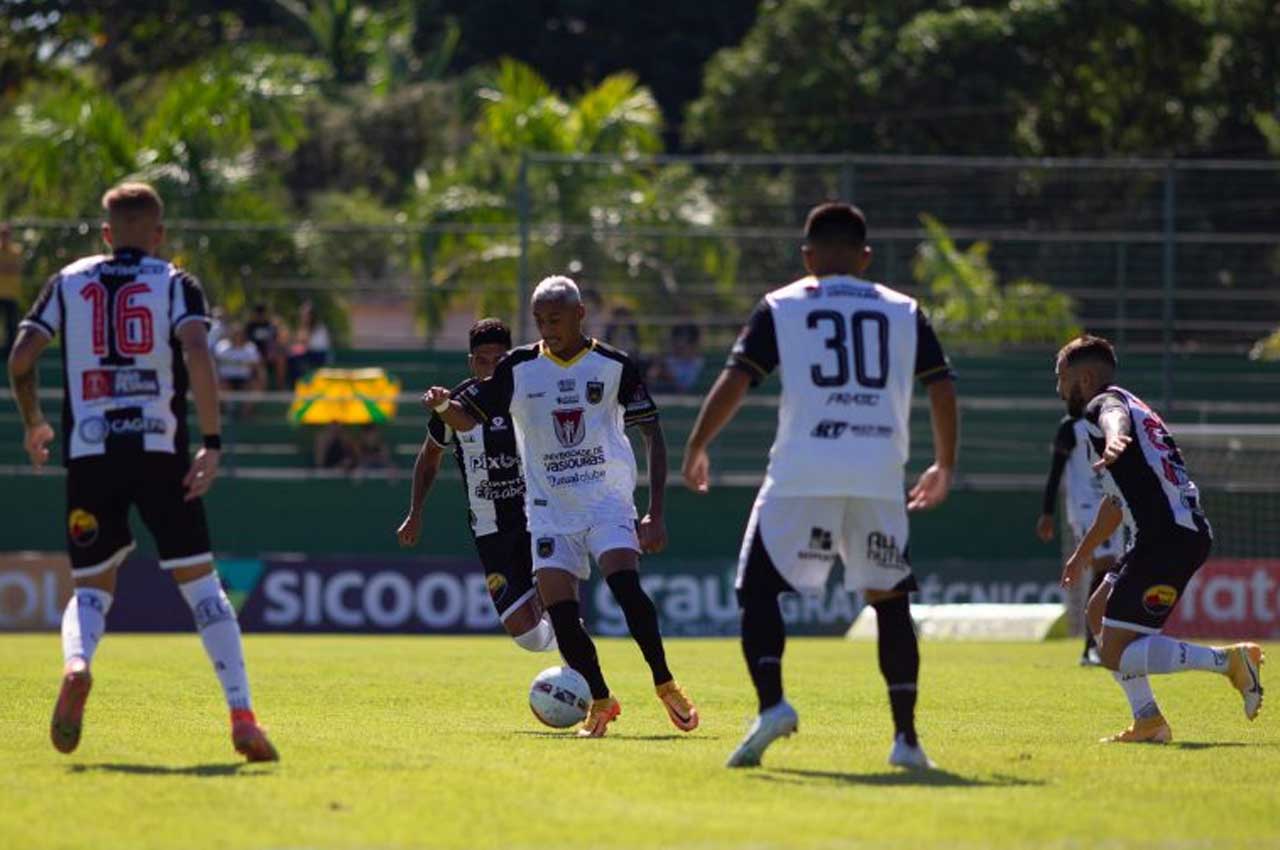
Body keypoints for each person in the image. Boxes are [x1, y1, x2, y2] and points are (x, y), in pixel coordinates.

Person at [5, 182, 277, 762]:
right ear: (158, 234)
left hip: (90, 452)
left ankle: (78, 665)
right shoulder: (175, 283)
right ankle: (242, 715)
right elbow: (198, 353)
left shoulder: (68, 281)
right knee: (204, 587)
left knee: (90, 590)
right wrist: (211, 441)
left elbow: (21, 358)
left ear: (106, 233)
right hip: (160, 450)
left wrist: (34, 422)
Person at [682, 202, 958, 770]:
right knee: (890, 599)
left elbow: (737, 379)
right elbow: (941, 386)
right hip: (879, 472)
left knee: (755, 589)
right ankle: (906, 740)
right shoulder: (904, 310)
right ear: (865, 257)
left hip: (805, 468)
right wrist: (944, 463)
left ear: (807, 256)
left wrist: (697, 444)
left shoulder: (784, 305)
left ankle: (772, 704)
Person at [425, 276, 698, 737]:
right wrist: (443, 406)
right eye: (539, 320)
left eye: (555, 319)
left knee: (625, 586)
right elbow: (471, 419)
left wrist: (655, 511)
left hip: (607, 500)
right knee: (563, 612)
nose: (547, 328)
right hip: (550, 508)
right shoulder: (518, 368)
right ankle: (601, 699)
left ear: (578, 315)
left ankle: (665, 682)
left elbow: (652, 434)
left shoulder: (614, 365)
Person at [1056, 335, 1264, 744]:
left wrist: (1115, 436)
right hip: (1160, 535)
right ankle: (1148, 721)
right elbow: (1115, 504)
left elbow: (1112, 416)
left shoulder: (1106, 406)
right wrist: (1082, 554)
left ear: (1086, 378)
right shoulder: (1136, 406)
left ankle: (1230, 662)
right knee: (1097, 615)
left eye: (1062, 379)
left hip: (1168, 537)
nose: (1059, 389)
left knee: (1113, 652)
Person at [396, 318, 556, 652]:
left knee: (558, 599)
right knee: (527, 636)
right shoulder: (463, 400)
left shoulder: (527, 395)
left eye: (498, 360)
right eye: (483, 360)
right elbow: (429, 458)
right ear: (471, 361)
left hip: (537, 518)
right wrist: (415, 513)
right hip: (490, 530)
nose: (491, 367)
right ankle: (566, 639)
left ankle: (579, 671)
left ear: (509, 357)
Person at [1036, 413, 1125, 666]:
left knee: (1111, 571)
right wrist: (1047, 512)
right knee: (1104, 566)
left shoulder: (1112, 422)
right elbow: (1055, 470)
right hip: (1085, 507)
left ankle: (1098, 643)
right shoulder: (1070, 427)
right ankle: (1092, 646)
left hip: (1112, 505)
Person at [647, 323, 705, 394]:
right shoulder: (668, 359)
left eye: (683, 346)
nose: (679, 348)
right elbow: (651, 376)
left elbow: (683, 387)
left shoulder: (698, 362)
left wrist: (668, 376)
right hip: (664, 392)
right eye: (677, 344)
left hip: (681, 394)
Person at [288, 300, 331, 385]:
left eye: (305, 315)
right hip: (309, 354)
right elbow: (298, 342)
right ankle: (299, 385)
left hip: (319, 355)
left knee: (295, 359)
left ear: (311, 315)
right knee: (292, 357)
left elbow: (305, 342)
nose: (303, 317)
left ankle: (302, 384)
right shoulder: (303, 326)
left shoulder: (318, 327)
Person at [245, 302, 286, 389]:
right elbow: (246, 343)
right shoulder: (250, 327)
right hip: (254, 355)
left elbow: (276, 341)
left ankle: (280, 387)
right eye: (259, 313)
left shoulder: (270, 326)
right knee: (260, 368)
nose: (261, 315)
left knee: (281, 360)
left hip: (269, 354)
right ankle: (261, 393)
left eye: (262, 313)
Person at [0, 223, 22, 358]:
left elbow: (16, 268)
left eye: (6, 234)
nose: (4, 237)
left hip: (11, 294)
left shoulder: (16, 251)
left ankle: (10, 353)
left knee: (11, 326)